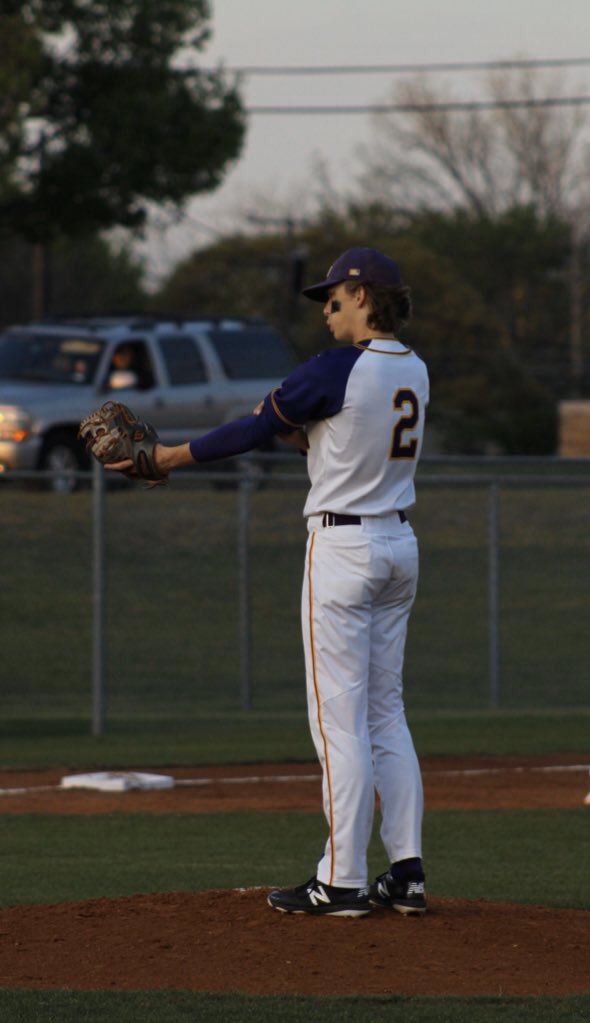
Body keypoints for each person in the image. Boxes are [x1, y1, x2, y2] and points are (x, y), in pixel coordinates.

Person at [106, 247, 429, 918]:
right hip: (399, 541)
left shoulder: (337, 366)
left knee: (337, 722)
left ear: (365, 295)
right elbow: (325, 434)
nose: (328, 309)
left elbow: (257, 426)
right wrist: (292, 427)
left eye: (335, 296)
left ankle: (340, 880)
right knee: (385, 713)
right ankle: (406, 873)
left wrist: (166, 456)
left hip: (344, 547)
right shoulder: (416, 369)